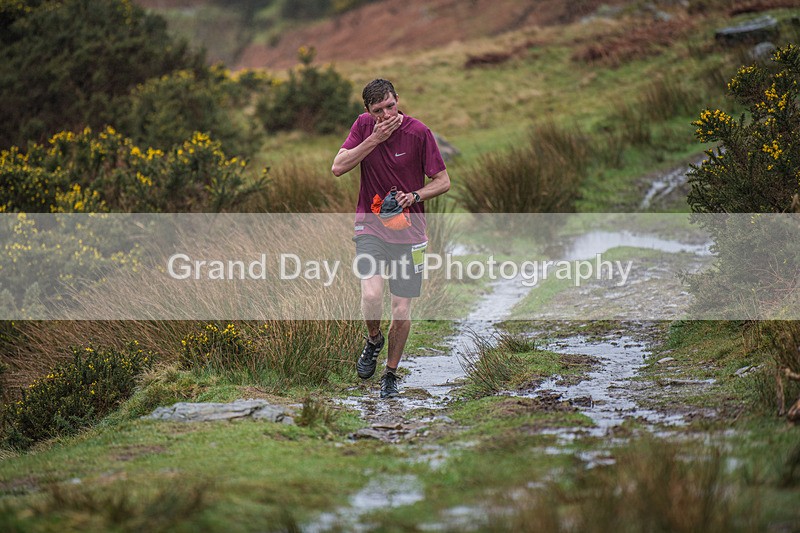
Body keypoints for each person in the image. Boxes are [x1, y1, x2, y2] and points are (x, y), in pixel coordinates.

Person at [332, 78, 450, 399]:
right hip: (369, 226)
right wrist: (373, 139)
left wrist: (415, 195)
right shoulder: (363, 127)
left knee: (400, 310)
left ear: (398, 99)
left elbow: (443, 181)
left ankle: (391, 373)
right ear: (368, 112)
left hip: (410, 234)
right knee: (371, 295)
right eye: (378, 111)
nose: (386, 115)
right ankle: (373, 340)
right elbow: (338, 167)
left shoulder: (419, 133)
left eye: (390, 106)